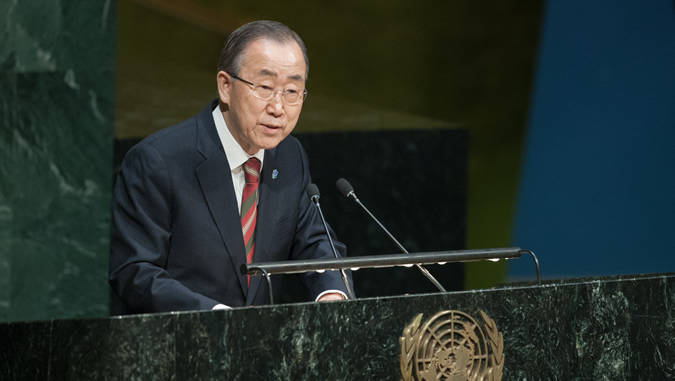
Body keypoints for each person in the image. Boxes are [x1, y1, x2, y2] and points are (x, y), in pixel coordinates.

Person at [109, 20, 351, 313]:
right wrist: (215, 318)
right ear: (225, 86)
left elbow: (314, 241)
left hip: (259, 351)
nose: (278, 107)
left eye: (291, 91)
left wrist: (331, 293)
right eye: (265, 87)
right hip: (179, 347)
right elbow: (134, 271)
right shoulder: (158, 160)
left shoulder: (289, 155)